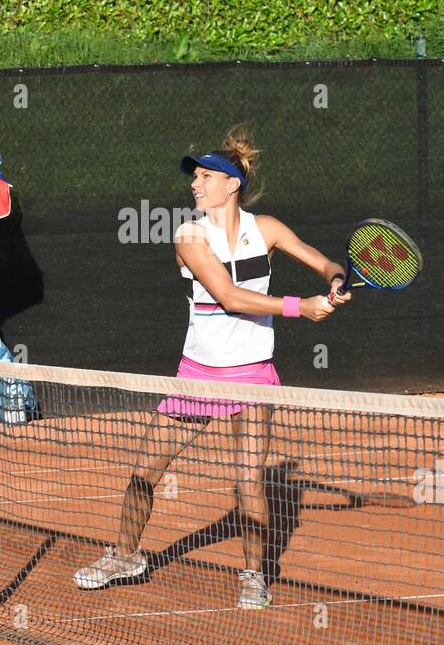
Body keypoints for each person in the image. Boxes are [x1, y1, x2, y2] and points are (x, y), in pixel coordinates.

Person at [74, 125, 351, 608]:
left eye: (205, 177)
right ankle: (125, 555)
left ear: (232, 184)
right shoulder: (188, 235)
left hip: (252, 378)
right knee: (143, 473)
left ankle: (253, 574)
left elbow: (323, 263)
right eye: (194, 178)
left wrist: (336, 280)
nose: (194, 185)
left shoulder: (268, 229)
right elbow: (226, 295)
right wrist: (299, 308)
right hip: (197, 376)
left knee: (249, 483)